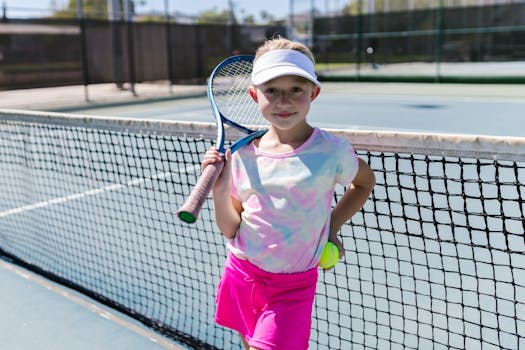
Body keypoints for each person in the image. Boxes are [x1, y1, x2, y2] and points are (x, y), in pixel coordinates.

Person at [201, 37, 376, 350]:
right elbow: (231, 227)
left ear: (314, 93)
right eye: (272, 90)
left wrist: (331, 226)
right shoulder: (242, 155)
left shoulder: (332, 152)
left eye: (296, 89)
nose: (284, 101)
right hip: (241, 275)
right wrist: (219, 189)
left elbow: (363, 182)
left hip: (292, 289)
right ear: (255, 95)